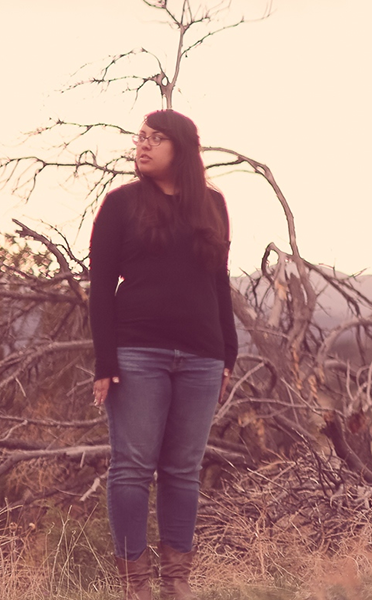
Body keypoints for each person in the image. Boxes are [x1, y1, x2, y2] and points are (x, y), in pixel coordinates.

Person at [90, 109, 236, 600]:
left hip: (201, 357)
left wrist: (228, 356)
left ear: (182, 148)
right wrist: (105, 363)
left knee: (182, 471)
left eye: (155, 138)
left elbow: (219, 283)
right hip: (136, 355)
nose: (143, 145)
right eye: (141, 137)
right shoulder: (121, 204)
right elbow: (100, 289)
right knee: (131, 467)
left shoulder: (213, 204)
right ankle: (136, 587)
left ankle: (176, 585)